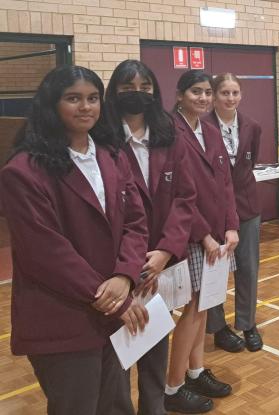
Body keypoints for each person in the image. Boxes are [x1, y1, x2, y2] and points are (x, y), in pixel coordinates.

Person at [0, 65, 148, 414]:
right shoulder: (23, 171)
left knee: (116, 405)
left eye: (93, 98)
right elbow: (45, 252)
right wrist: (109, 296)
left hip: (113, 308)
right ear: (51, 105)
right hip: (63, 315)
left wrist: (126, 275)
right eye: (73, 99)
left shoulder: (111, 156)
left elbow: (136, 221)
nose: (86, 107)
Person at [105, 59, 198, 415]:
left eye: (145, 87)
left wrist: (165, 252)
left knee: (155, 346)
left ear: (155, 92)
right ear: (114, 92)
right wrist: (128, 265)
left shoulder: (169, 136)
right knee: (118, 354)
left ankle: (154, 408)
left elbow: (185, 198)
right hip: (117, 267)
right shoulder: (103, 139)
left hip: (161, 264)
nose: (137, 94)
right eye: (128, 87)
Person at [165, 69, 240, 413]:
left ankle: (195, 371)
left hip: (219, 237)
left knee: (206, 305)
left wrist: (231, 226)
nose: (204, 98)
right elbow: (178, 193)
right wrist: (205, 235)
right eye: (196, 92)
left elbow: (225, 184)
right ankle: (173, 386)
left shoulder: (210, 130)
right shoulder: (170, 131)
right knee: (193, 310)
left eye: (207, 92)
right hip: (194, 237)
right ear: (180, 95)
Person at [203, 73, 265, 352]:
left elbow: (248, 163)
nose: (230, 98)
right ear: (214, 96)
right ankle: (218, 328)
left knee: (248, 268)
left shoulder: (252, 126)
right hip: (213, 210)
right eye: (224, 93)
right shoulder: (201, 126)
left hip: (247, 206)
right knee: (214, 270)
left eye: (235, 92)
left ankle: (247, 323)